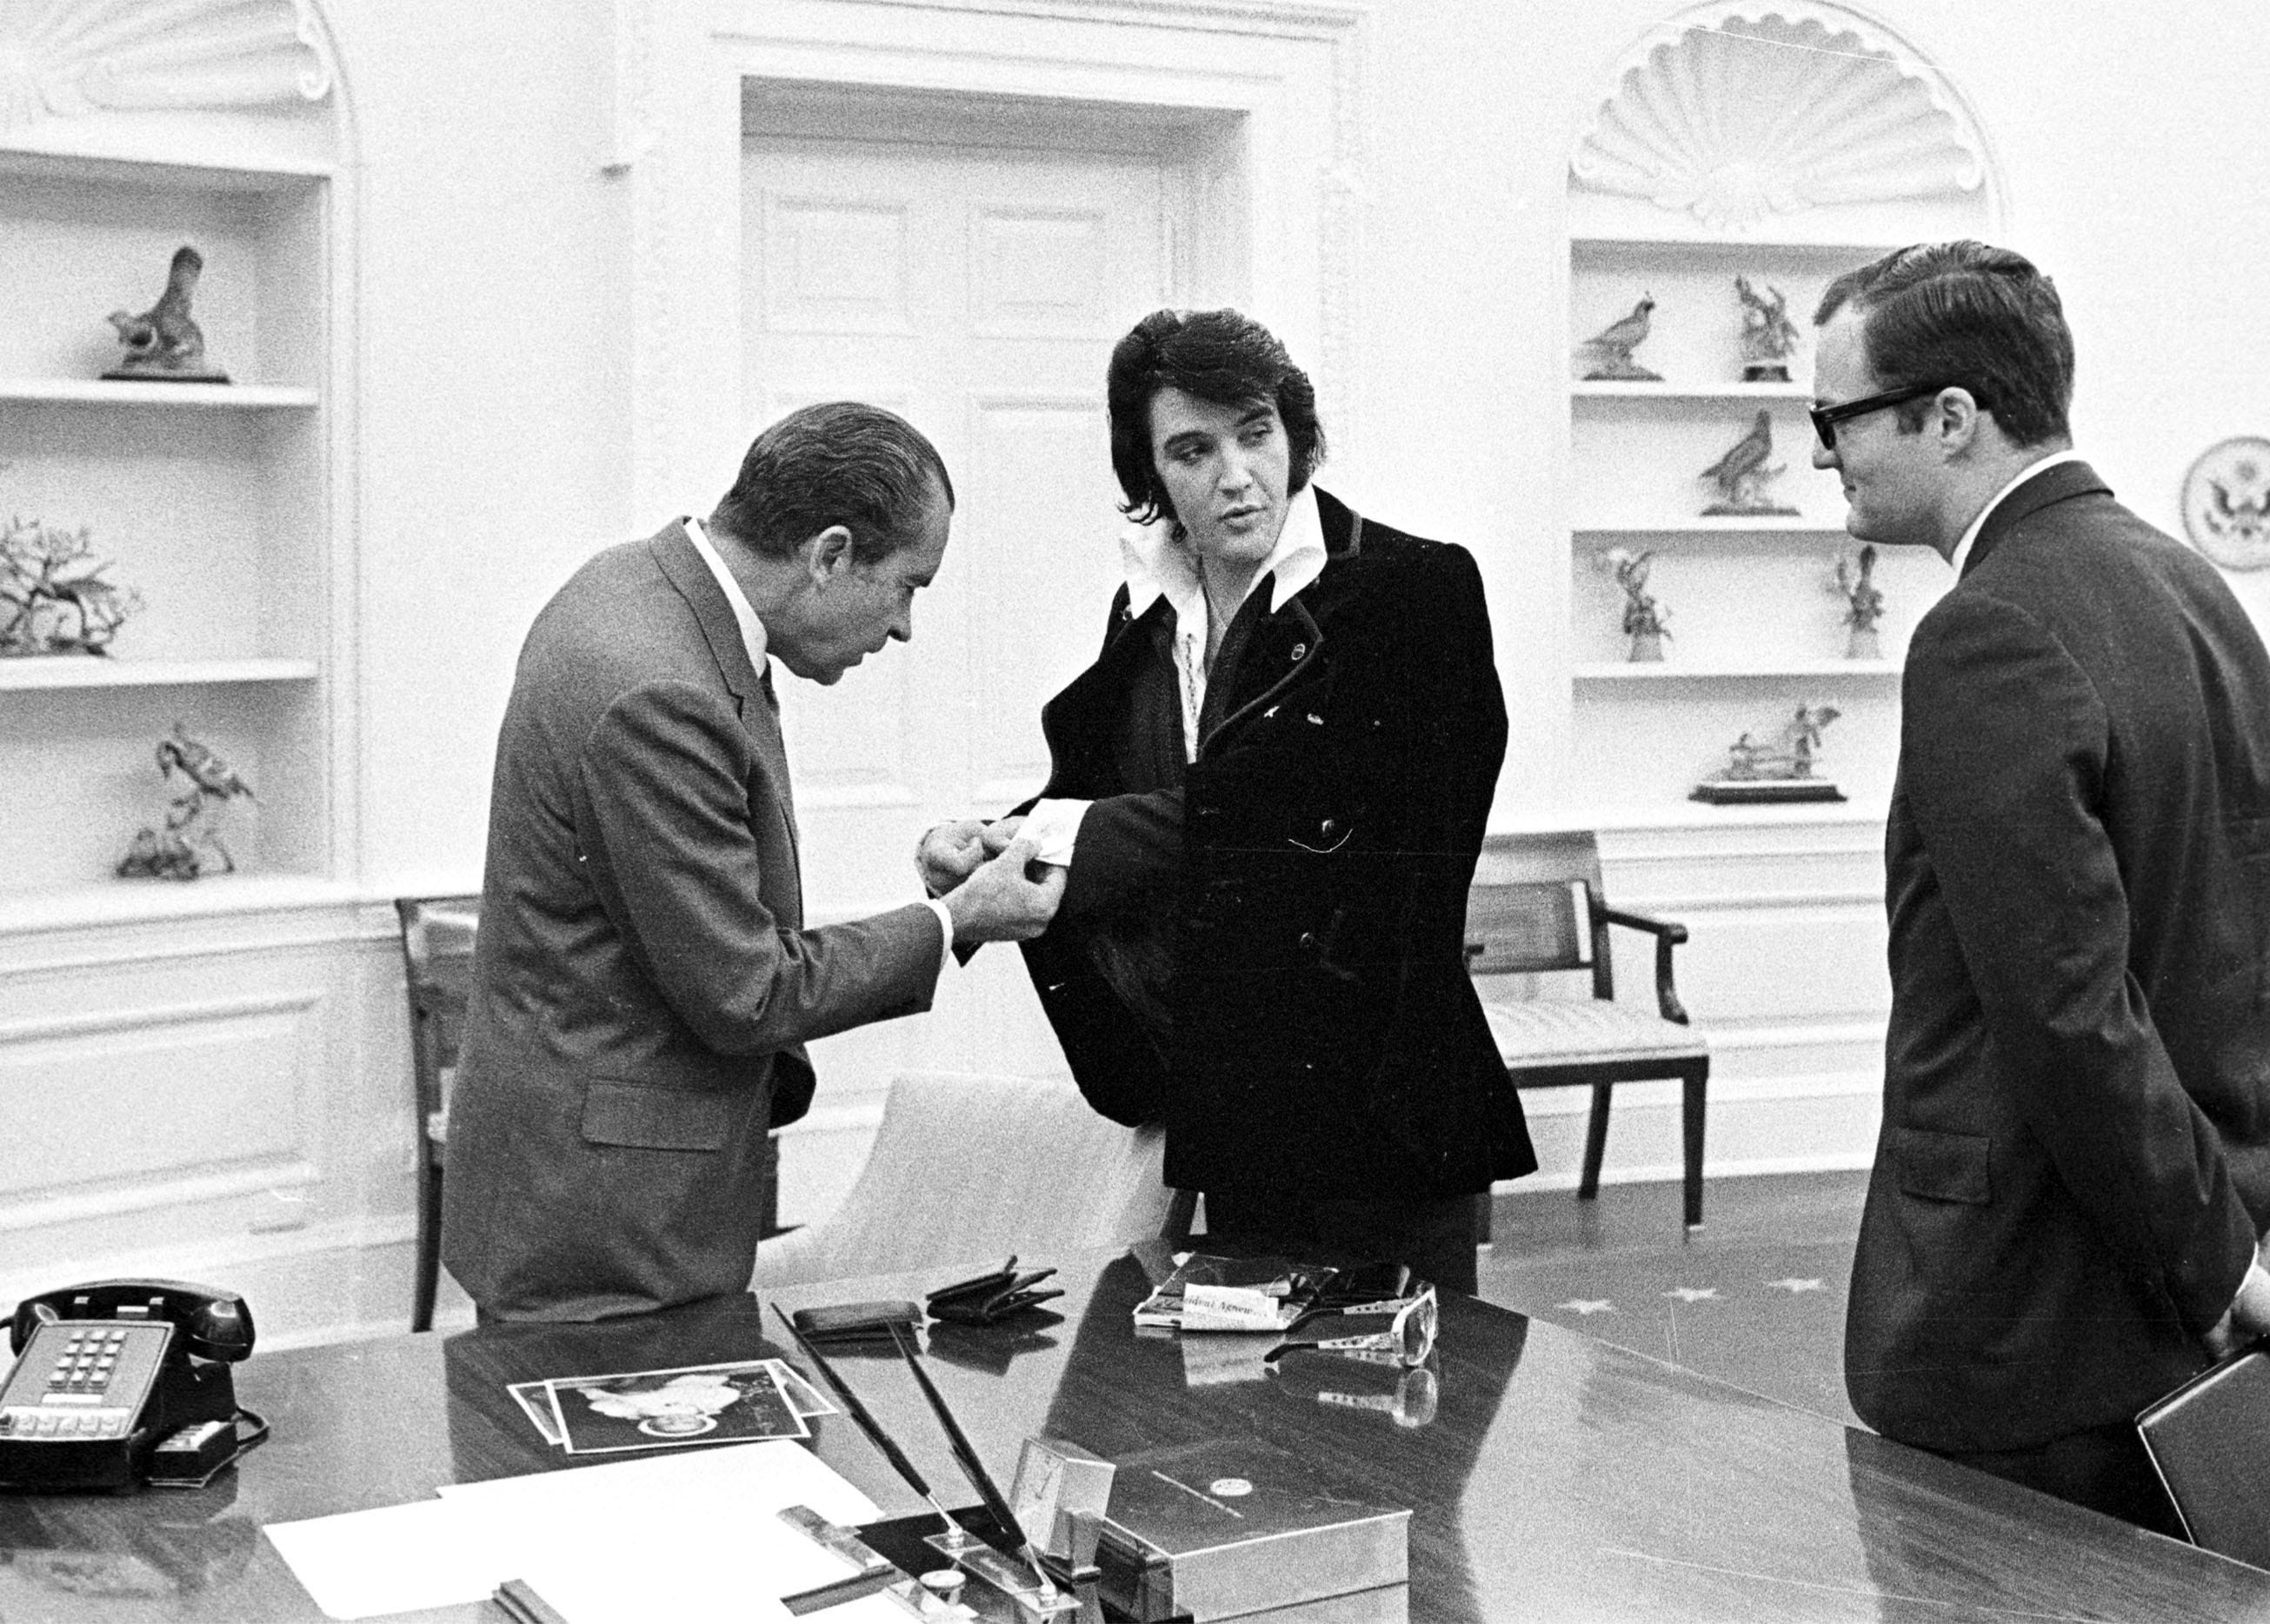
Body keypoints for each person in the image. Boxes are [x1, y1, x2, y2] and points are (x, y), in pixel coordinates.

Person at [1812, 243, 2270, 1533]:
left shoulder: (1988, 627)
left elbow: (2067, 1011)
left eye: (1832, 418)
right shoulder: (2197, 593)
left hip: (2030, 1327)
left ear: (1950, 418)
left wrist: (2228, 1256)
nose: (1823, 453)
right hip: (2185, 1302)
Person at [920, 309, 1533, 1295]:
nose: (1236, 473)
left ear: (1295, 434)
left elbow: (1299, 806)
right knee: (1248, 1427)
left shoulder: (1413, 590)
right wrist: (997, 842)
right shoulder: (1150, 613)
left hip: (1380, 1102)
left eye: (1255, 432)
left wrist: (1058, 837)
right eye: (1193, 450)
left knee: (1399, 1425)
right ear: (1151, 474)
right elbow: (1124, 786)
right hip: (1230, 1101)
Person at [443, 403, 1063, 1322]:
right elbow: (746, 991)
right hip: (608, 1227)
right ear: (829, 553)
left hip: (575, 1179)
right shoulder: (659, 684)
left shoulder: (632, 588)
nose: (902, 629)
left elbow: (699, 901)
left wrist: (941, 892)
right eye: (907, 587)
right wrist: (958, 919)